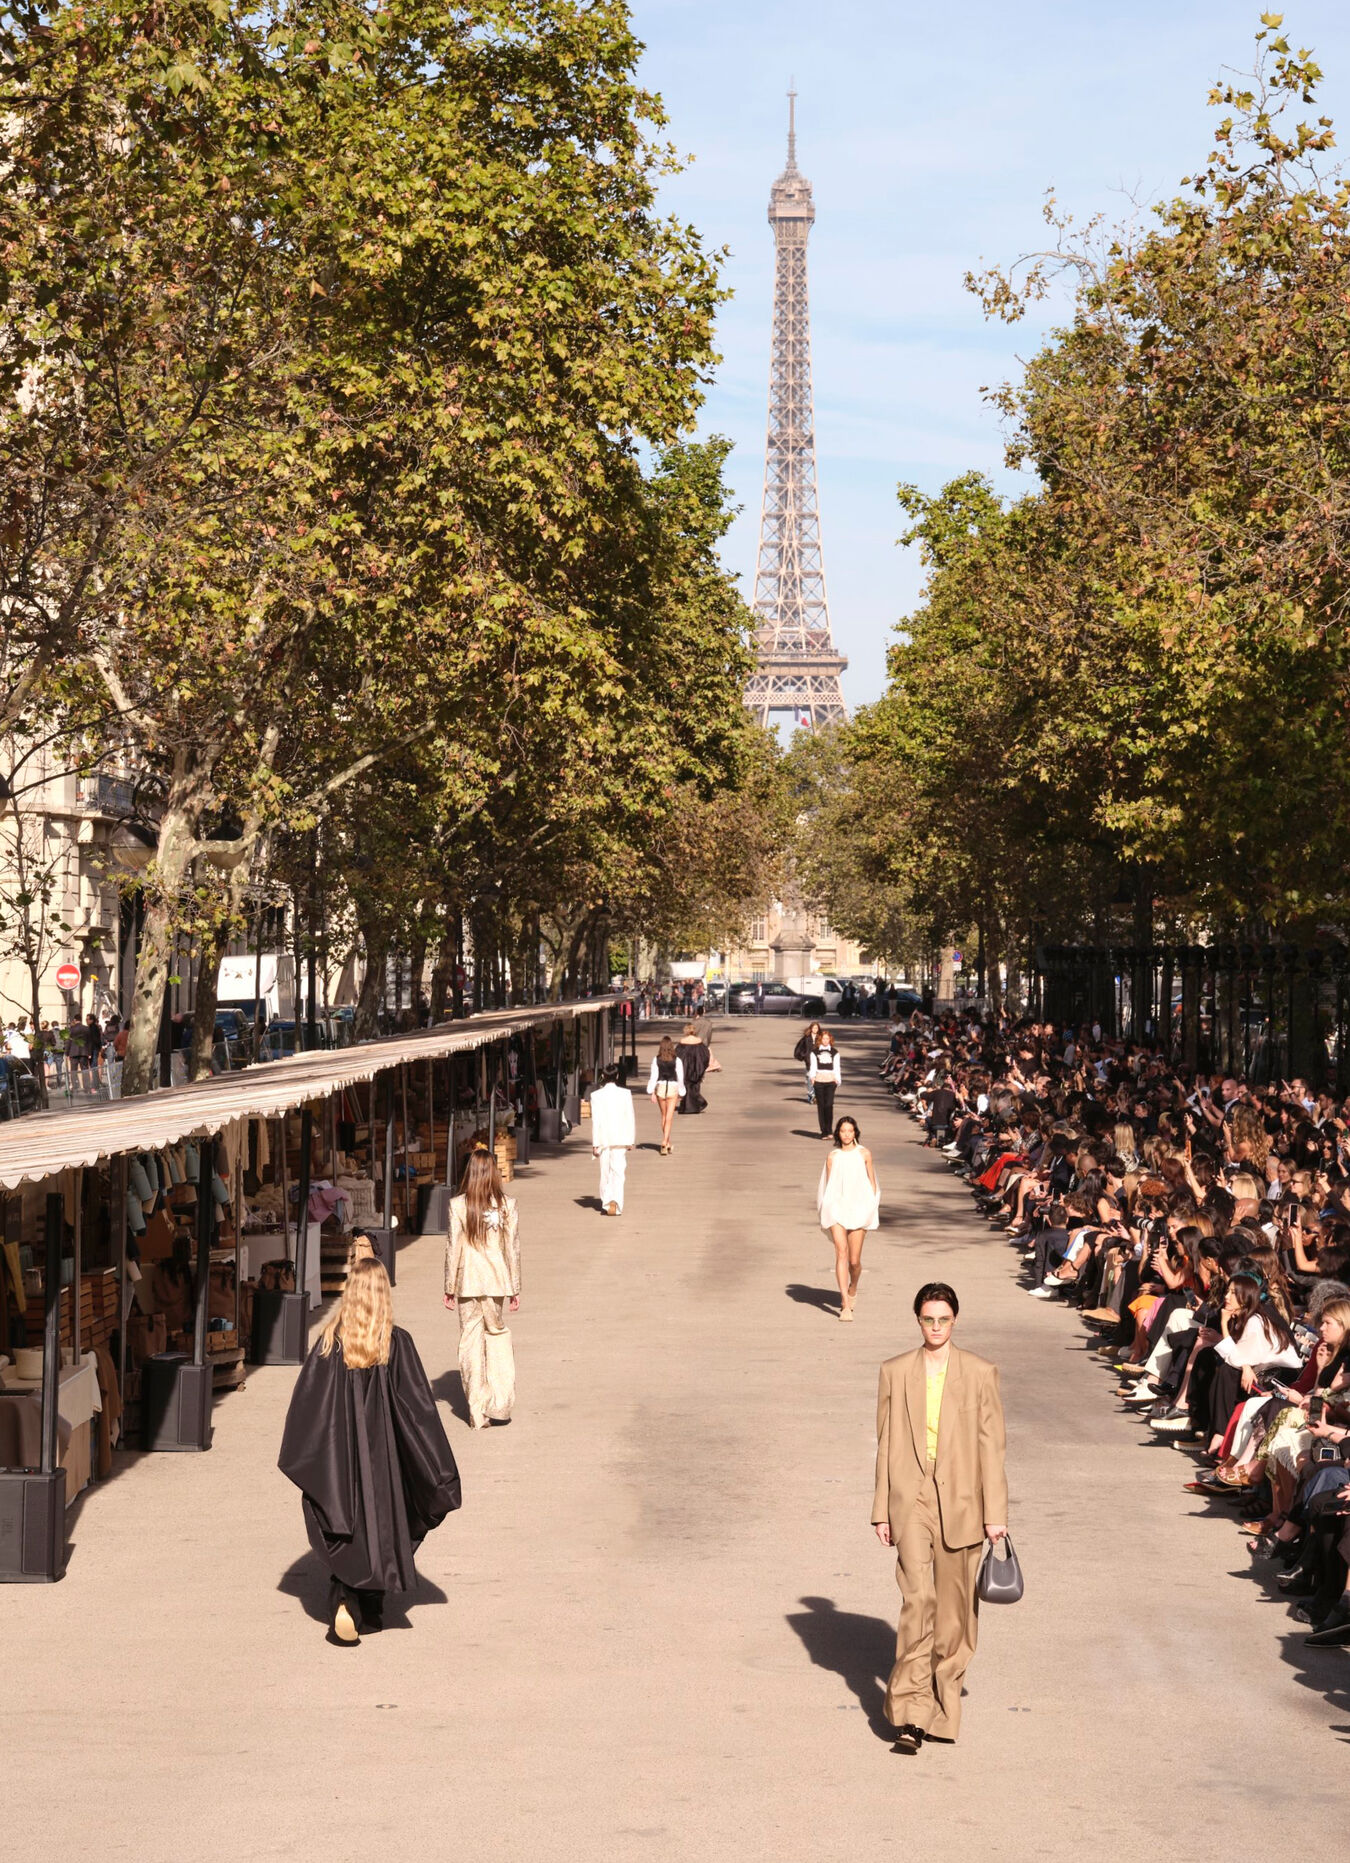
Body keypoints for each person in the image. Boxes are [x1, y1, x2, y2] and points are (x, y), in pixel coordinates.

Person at [278, 1256, 461, 1645]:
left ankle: (347, 1598)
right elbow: (418, 1411)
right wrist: (435, 1468)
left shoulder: (329, 1343)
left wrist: (315, 1465)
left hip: (340, 1462)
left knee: (348, 1525)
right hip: (385, 1463)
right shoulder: (397, 1343)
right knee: (384, 1524)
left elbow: (306, 1410)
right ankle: (367, 1604)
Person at [872, 1283, 1008, 1752]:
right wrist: (881, 1509)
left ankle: (943, 1712)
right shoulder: (894, 1371)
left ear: (955, 1320)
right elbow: (885, 1443)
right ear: (918, 1320)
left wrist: (995, 1513)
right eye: (928, 1319)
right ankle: (911, 1715)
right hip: (911, 1499)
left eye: (943, 1319)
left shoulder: (980, 1372)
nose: (935, 1327)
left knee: (955, 1617)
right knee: (917, 1602)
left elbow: (992, 1448)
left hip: (964, 1502)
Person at [444, 1148, 521, 1429]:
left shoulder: (458, 1205)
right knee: (496, 1336)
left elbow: (453, 1247)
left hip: (467, 1282)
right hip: (496, 1281)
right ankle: (499, 1402)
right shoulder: (507, 1205)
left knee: (470, 1341)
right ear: (494, 1173)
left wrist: (449, 1286)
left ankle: (476, 1411)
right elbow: (512, 1248)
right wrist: (515, 1287)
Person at [817, 1116, 880, 1321]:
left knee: (854, 1261)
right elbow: (828, 1185)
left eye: (850, 1131)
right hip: (836, 1208)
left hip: (859, 1208)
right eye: (843, 1131)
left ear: (855, 1133)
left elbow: (873, 1183)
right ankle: (845, 1304)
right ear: (838, 1133)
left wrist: (871, 1206)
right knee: (841, 1252)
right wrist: (826, 1207)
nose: (846, 1134)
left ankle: (853, 1287)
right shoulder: (833, 1156)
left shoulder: (864, 1154)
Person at [590, 1061, 636, 1216]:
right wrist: (630, 1139)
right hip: (621, 1137)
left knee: (605, 1172)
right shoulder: (625, 1094)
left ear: (603, 1076)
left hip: (604, 1139)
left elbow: (596, 1121)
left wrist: (595, 1143)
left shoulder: (596, 1095)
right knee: (618, 1172)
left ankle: (607, 1201)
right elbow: (630, 1117)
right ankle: (616, 1202)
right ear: (617, 1076)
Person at [646, 1034, 685, 1155]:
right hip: (672, 1087)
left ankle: (667, 1143)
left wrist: (651, 1091)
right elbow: (680, 1077)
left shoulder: (656, 1059)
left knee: (663, 1116)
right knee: (669, 1117)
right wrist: (682, 1091)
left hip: (661, 1088)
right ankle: (664, 1141)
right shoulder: (677, 1060)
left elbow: (653, 1076)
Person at [808, 1030, 841, 1138]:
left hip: (831, 1080)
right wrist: (812, 1078)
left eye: (827, 1039)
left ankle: (829, 1130)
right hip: (819, 1079)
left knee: (829, 1105)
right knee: (821, 1105)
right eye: (823, 1039)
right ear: (820, 1040)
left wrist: (837, 1079)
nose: (825, 1041)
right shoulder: (815, 1052)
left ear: (830, 1040)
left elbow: (837, 1067)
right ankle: (824, 1131)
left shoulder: (835, 1052)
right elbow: (813, 1066)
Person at [676, 1020, 713, 1116]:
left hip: (685, 1066)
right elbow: (705, 1055)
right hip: (696, 1066)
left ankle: (687, 1106)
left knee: (686, 1085)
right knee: (695, 1086)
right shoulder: (699, 1042)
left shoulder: (682, 1042)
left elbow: (677, 1055)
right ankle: (695, 1105)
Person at [795, 1021, 823, 1104]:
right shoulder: (806, 1038)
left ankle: (817, 1096)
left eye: (816, 1028)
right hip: (809, 1061)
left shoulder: (821, 1038)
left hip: (819, 1062)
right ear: (811, 1029)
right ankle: (811, 1096)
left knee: (818, 1080)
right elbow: (799, 1048)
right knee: (810, 1079)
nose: (815, 1029)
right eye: (814, 1028)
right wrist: (804, 1056)